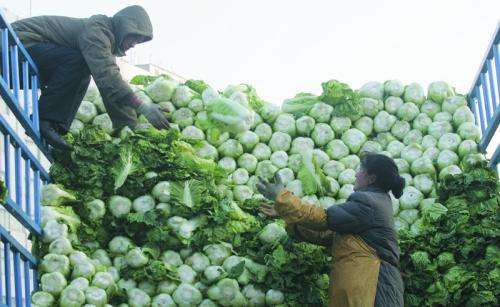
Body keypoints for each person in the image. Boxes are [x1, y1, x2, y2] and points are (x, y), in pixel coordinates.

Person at [12, 5, 170, 150]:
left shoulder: (104, 41)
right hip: (13, 46)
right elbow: (108, 76)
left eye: (139, 42)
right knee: (80, 62)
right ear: (124, 27)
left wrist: (131, 130)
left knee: (83, 69)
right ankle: (45, 120)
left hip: (27, 58)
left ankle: (54, 125)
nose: (135, 44)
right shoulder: (97, 30)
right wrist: (142, 106)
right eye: (135, 37)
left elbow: (110, 89)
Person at [257, 153, 405, 307]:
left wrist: (282, 197)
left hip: (373, 287)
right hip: (374, 287)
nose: (356, 173)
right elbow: (330, 236)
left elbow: (323, 219)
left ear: (371, 178)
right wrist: (285, 213)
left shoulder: (368, 203)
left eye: (361, 169)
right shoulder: (377, 203)